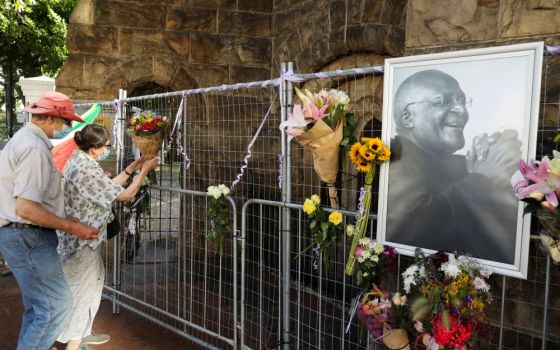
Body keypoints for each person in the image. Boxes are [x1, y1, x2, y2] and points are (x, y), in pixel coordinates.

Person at [386, 69, 521, 264]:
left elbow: (459, 172)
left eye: (461, 101)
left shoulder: (432, 158)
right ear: (408, 117)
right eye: (442, 101)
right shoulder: (400, 157)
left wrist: (490, 149)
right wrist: (481, 177)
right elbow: (409, 228)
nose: (461, 110)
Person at [0, 92, 99, 350]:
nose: (66, 128)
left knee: (40, 307)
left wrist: (63, 218)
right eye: (65, 122)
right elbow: (26, 208)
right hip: (27, 235)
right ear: (52, 118)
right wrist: (72, 226)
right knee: (55, 306)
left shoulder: (26, 140)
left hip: (22, 234)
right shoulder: (33, 147)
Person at [56, 124, 158, 350]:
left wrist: (132, 168)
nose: (108, 150)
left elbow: (107, 188)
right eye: (107, 146)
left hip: (81, 240)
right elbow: (124, 196)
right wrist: (144, 171)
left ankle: (80, 336)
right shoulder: (87, 169)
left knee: (90, 287)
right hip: (82, 242)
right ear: (93, 148)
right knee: (82, 296)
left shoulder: (80, 160)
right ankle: (74, 343)